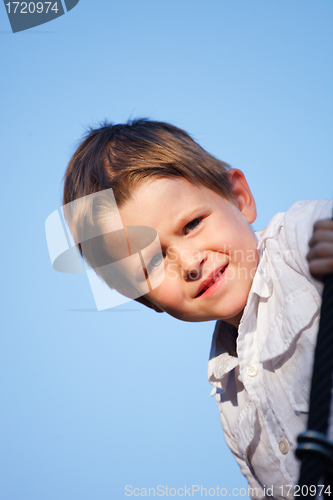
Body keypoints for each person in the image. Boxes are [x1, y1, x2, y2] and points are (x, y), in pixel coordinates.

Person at [62, 119, 333, 498]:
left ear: (239, 197)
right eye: (153, 263)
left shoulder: (300, 242)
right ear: (144, 298)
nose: (189, 263)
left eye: (191, 224)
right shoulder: (229, 395)